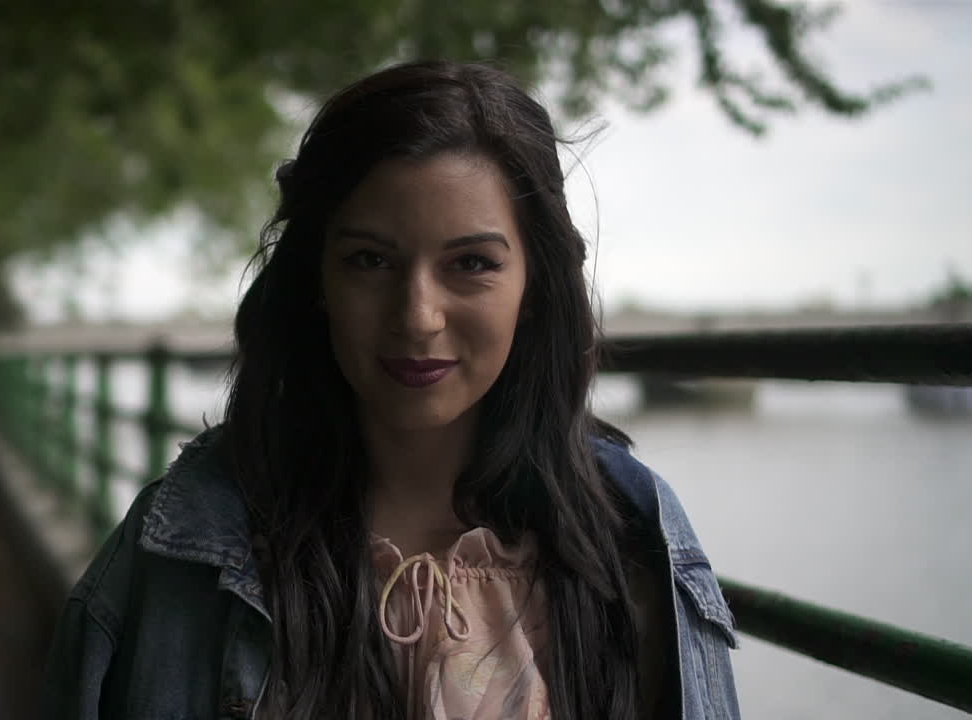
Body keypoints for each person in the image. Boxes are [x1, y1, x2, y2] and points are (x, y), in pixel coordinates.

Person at [41, 60, 739, 719]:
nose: (417, 316)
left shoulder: (630, 537)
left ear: (533, 287)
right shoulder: (187, 541)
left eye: (471, 263)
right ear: (318, 279)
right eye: (370, 260)